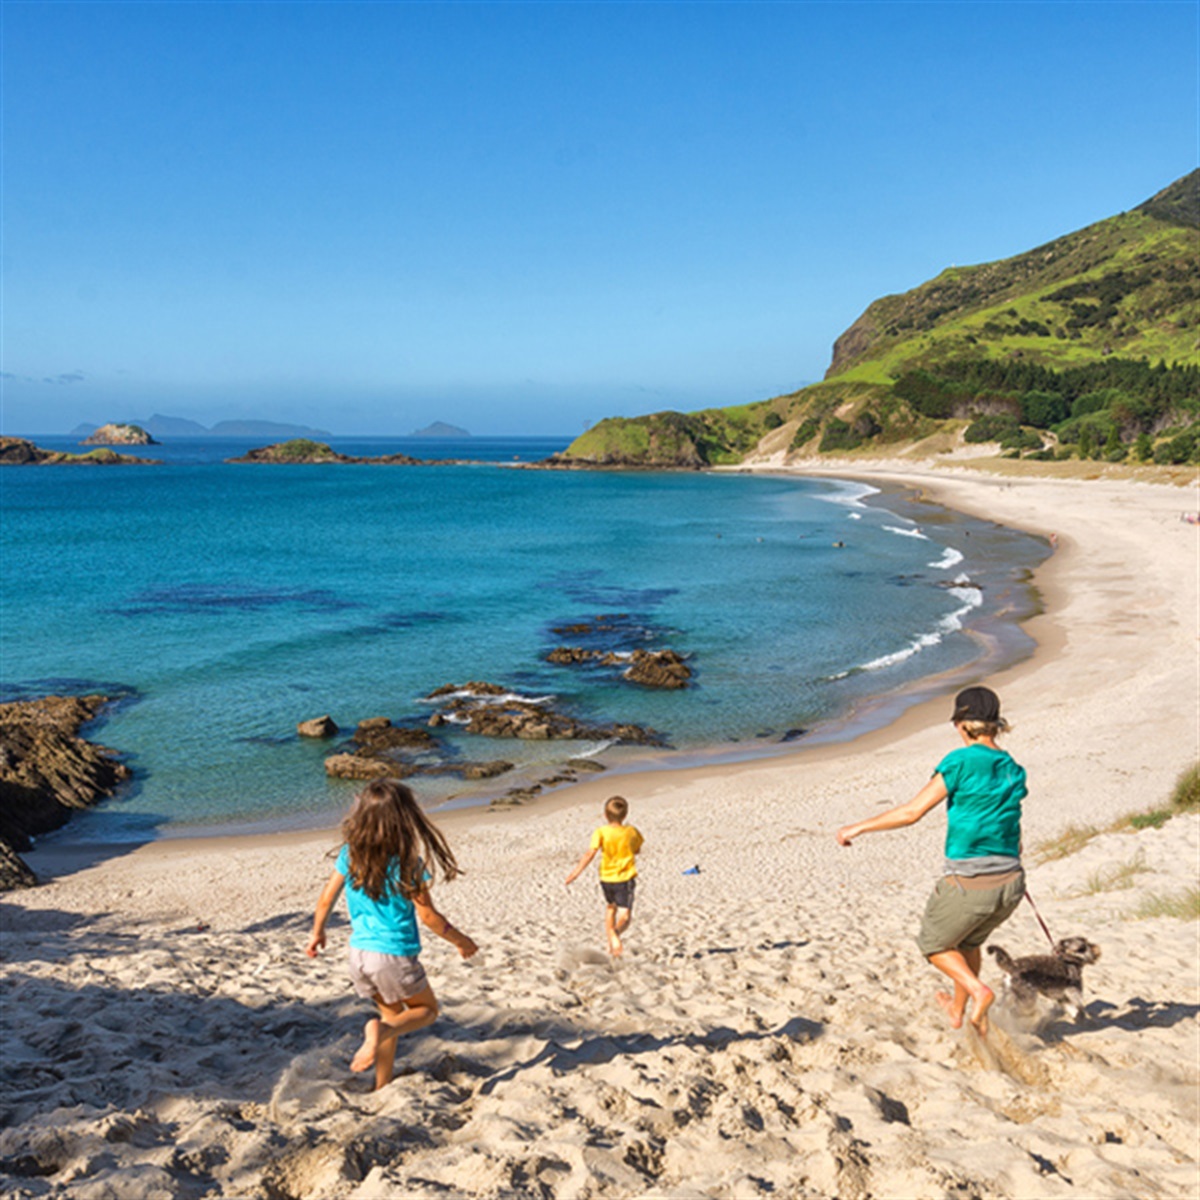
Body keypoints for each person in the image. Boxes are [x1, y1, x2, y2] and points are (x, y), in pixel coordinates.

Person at [836, 686, 1026, 1036]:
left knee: (935, 945)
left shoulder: (960, 761)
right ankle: (957, 1011)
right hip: (1011, 882)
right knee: (968, 944)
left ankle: (978, 991)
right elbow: (1011, 823)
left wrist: (857, 827)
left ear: (963, 724)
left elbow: (912, 812)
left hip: (970, 882)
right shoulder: (1013, 768)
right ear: (995, 725)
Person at [306, 779, 478, 1090]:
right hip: (393, 956)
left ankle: (381, 1084)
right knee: (426, 1011)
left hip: (358, 956)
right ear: (403, 818)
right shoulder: (408, 864)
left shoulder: (350, 854)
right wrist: (461, 941)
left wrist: (317, 933)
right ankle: (378, 1034)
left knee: (390, 1019)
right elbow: (429, 917)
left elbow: (325, 899)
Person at [565, 795, 644, 956]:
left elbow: (590, 853)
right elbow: (637, 849)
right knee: (625, 915)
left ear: (605, 815)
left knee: (610, 908)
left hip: (606, 878)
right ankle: (615, 934)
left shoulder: (600, 832)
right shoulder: (631, 831)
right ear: (625, 814)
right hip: (624, 878)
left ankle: (610, 944)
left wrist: (575, 873)